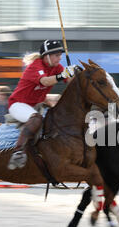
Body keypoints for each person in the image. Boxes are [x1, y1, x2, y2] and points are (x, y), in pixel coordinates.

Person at [7, 39, 77, 170]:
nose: (59, 58)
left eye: (60, 55)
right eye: (56, 55)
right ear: (47, 56)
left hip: (37, 104)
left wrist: (74, 74)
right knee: (36, 118)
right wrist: (63, 75)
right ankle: (18, 151)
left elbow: (70, 82)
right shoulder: (35, 66)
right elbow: (45, 82)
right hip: (18, 104)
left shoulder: (57, 68)